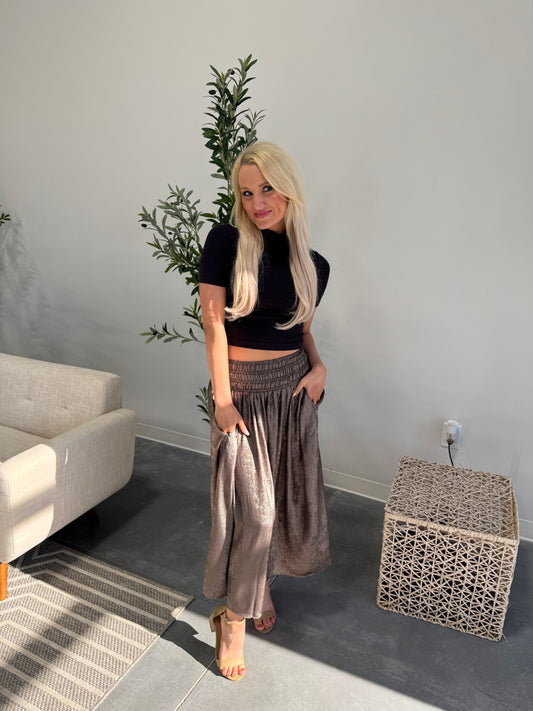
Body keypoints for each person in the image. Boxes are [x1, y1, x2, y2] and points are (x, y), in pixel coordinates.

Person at [199, 141, 331, 681]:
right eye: (247, 192)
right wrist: (223, 401)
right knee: (252, 514)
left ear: (289, 191)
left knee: (281, 505)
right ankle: (232, 619)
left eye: (268, 189)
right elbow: (213, 324)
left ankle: (257, 590)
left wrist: (319, 367)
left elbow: (301, 331)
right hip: (243, 395)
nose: (257, 202)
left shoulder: (314, 265)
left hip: (293, 392)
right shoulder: (226, 243)